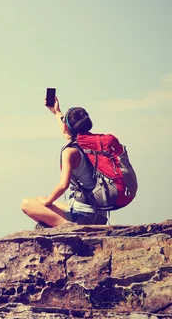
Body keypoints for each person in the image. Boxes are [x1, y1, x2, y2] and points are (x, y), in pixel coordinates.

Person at [20, 96, 108, 228]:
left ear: (67, 128)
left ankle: (71, 227)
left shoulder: (70, 152)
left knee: (27, 203)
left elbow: (63, 185)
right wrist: (56, 112)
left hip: (84, 217)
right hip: (100, 215)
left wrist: (48, 202)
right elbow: (67, 132)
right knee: (47, 200)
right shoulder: (92, 145)